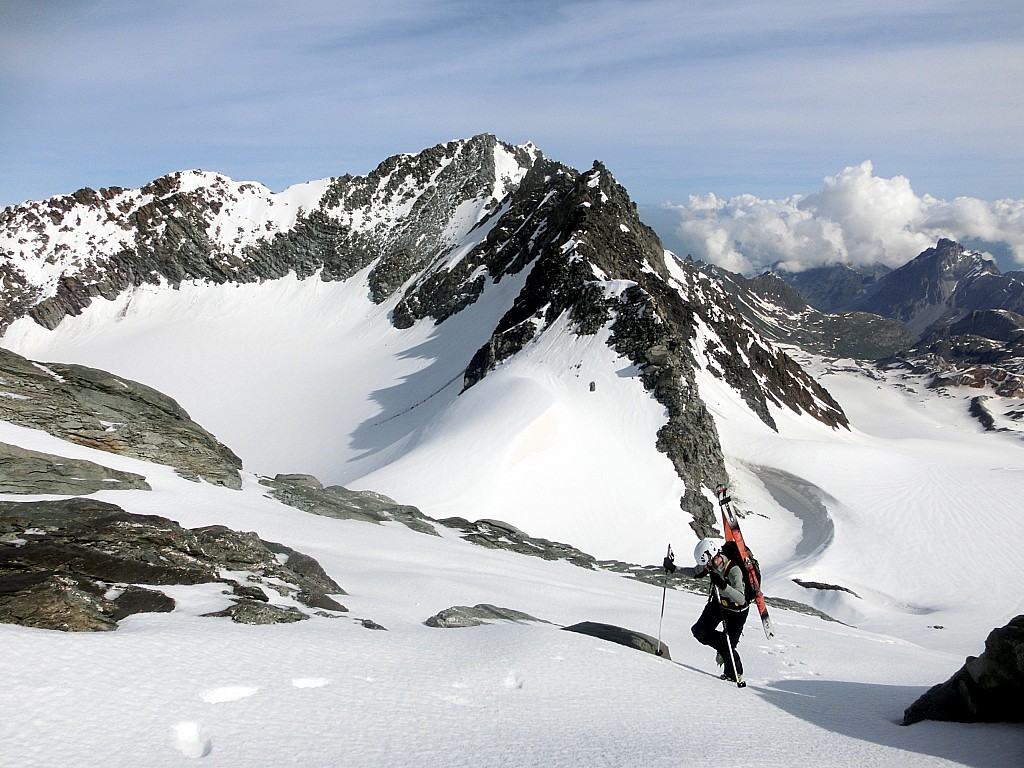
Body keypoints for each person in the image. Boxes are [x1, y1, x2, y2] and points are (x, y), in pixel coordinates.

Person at [689, 538, 750, 685]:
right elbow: (694, 572)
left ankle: (734, 674)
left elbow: (741, 599)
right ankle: (723, 648)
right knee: (699, 631)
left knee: (727, 647)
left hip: (737, 611)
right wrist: (673, 568)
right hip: (719, 604)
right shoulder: (710, 565)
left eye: (707, 562)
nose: (706, 566)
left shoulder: (734, 570)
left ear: (712, 555)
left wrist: (723, 585)